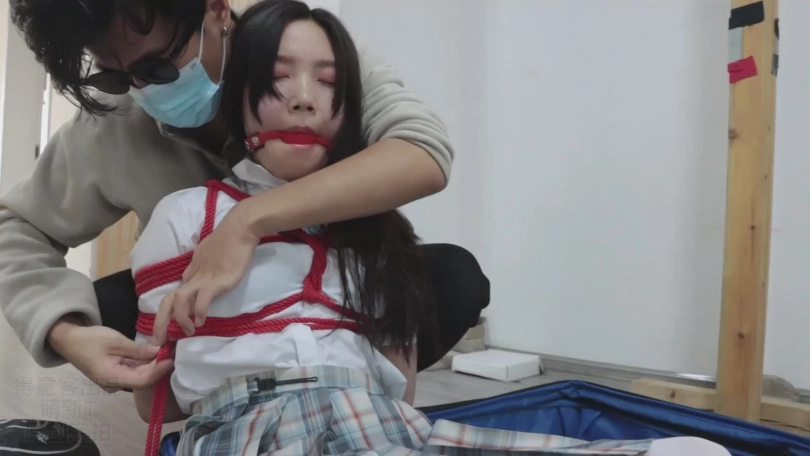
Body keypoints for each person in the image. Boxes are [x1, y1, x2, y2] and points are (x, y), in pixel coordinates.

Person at [129, 3, 732, 455]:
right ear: (236, 94)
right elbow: (155, 396)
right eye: (280, 76)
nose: (305, 99)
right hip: (245, 425)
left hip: (374, 420)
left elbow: (399, 396)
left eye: (330, 83)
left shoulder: (375, 236)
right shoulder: (187, 216)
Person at [0, 0, 489, 394]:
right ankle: (221, 396)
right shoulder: (115, 120)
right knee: (102, 306)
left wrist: (247, 221)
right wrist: (67, 332)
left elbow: (421, 151)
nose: (141, 90)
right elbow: (17, 227)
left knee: (451, 279)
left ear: (215, 10)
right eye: (116, 76)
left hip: (331, 289)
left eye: (159, 67)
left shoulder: (309, 53)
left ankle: (340, 381)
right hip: (199, 303)